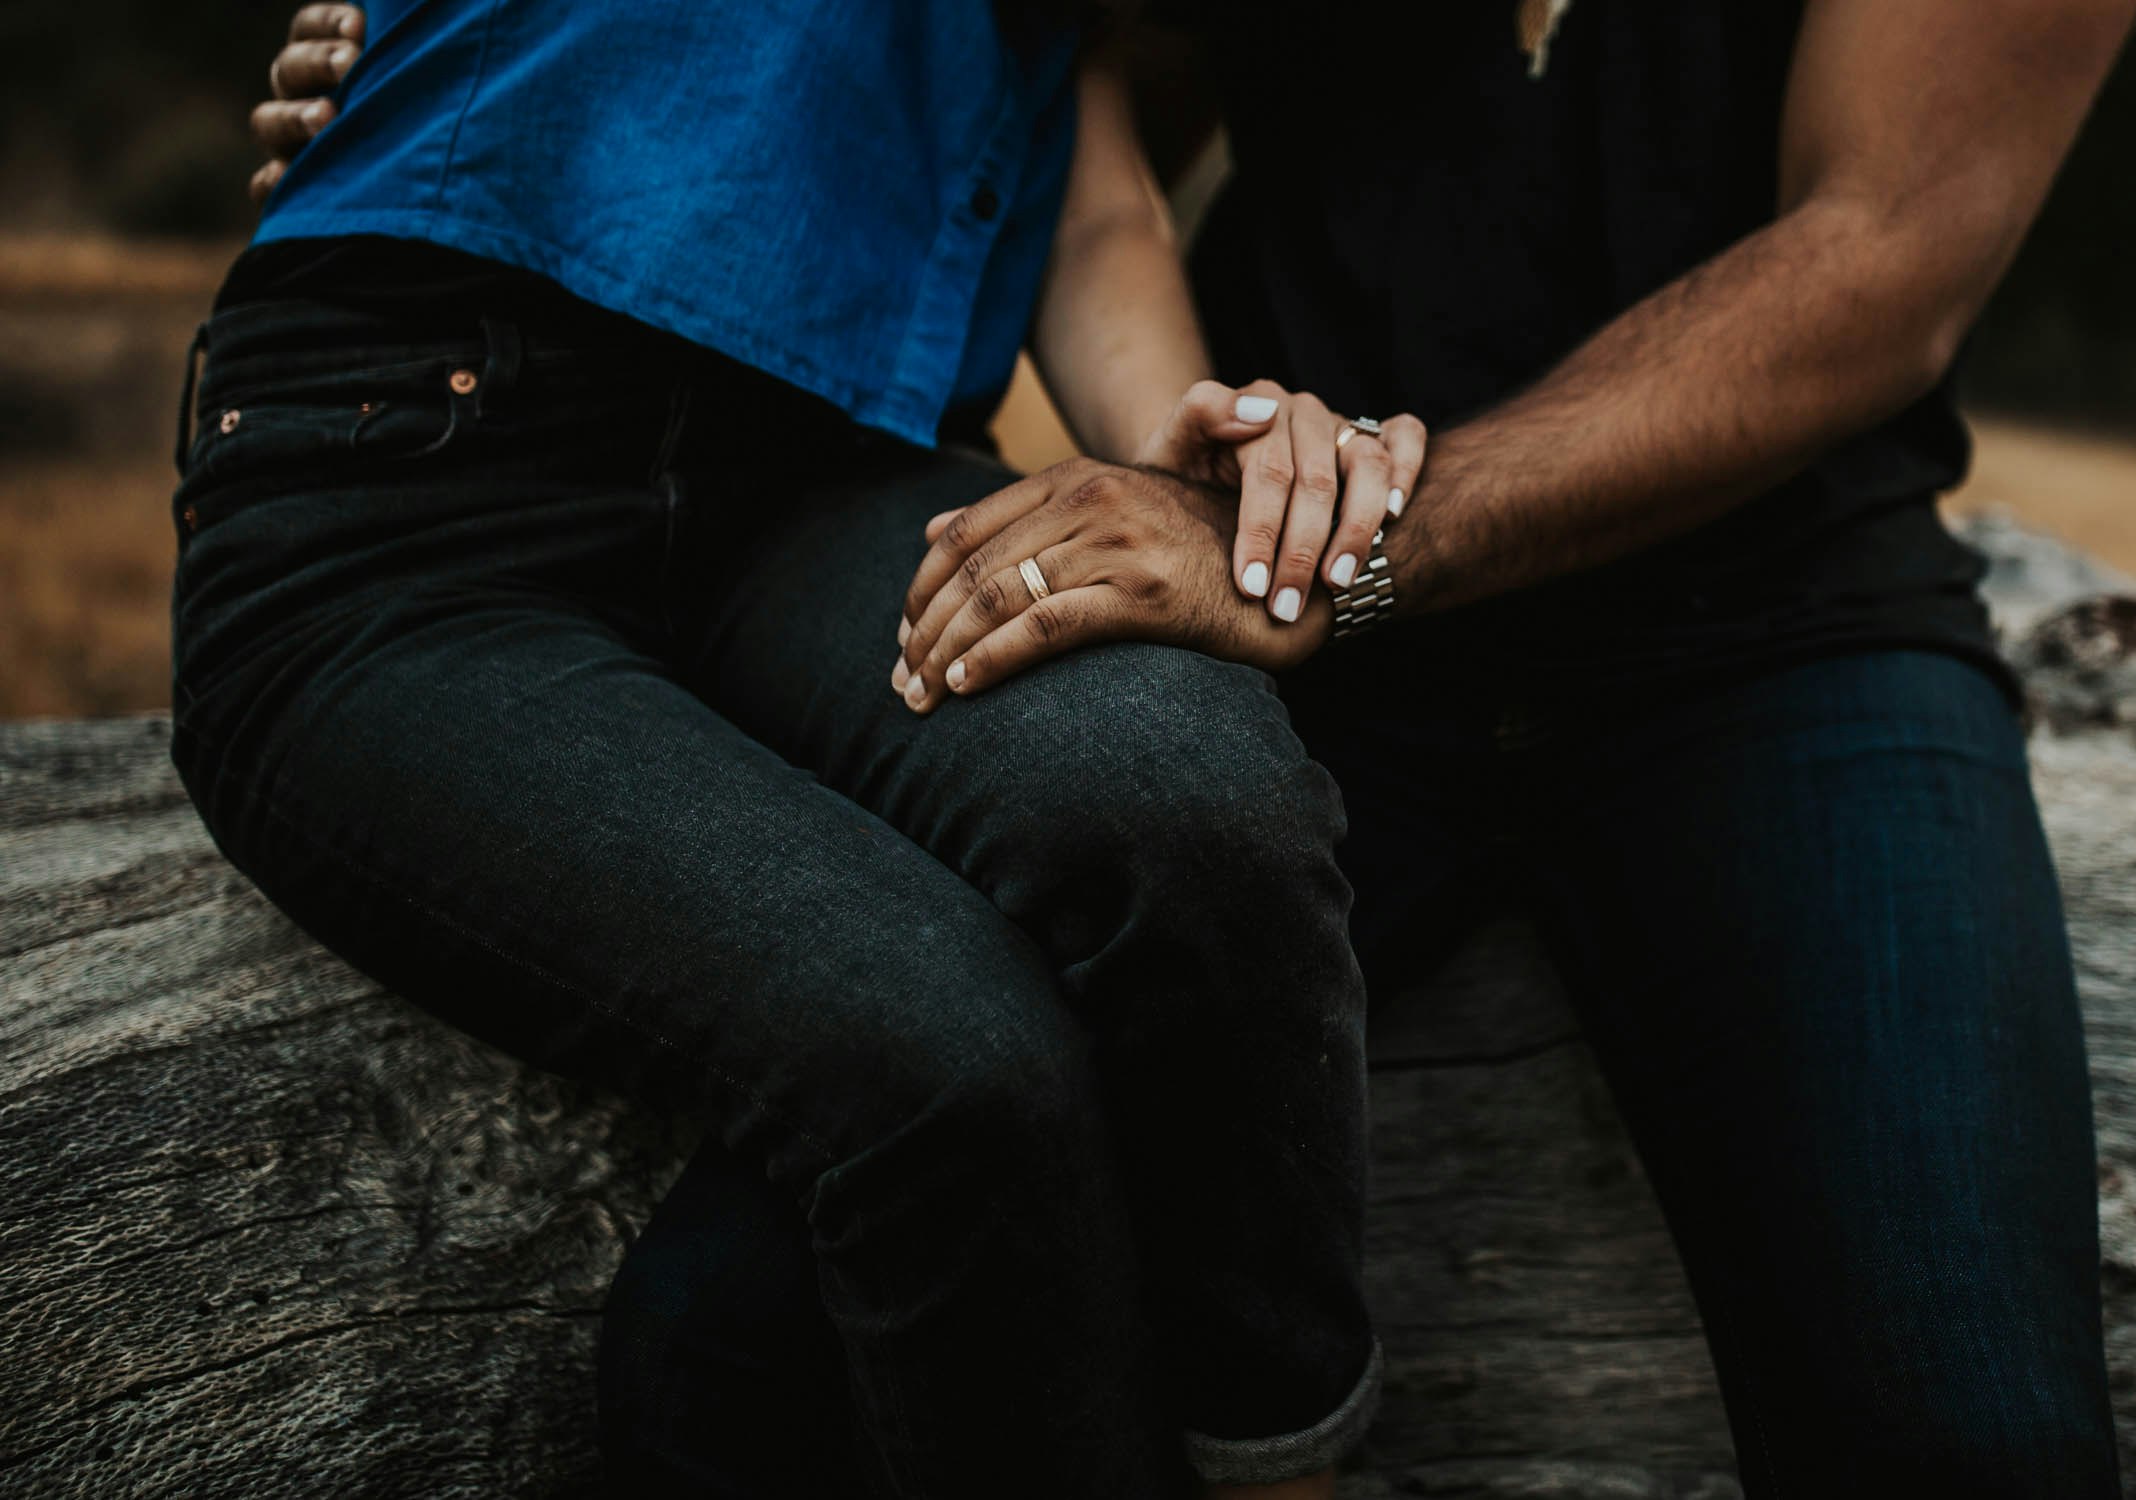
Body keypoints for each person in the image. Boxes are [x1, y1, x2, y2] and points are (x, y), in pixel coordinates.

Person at [253, 1, 2136, 1495]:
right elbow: (1038, 116)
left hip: (1764, 647)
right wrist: (487, 98)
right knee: (743, 1333)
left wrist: (1342, 545)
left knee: (1965, 1440)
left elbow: (1884, 255)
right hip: (1293, 626)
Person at [182, 3, 1427, 1497]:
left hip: (819, 479)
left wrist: (1191, 449)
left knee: (1194, 793)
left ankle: (1282, 1470)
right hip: (418, 472)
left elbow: (1091, 193)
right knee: (946, 1060)